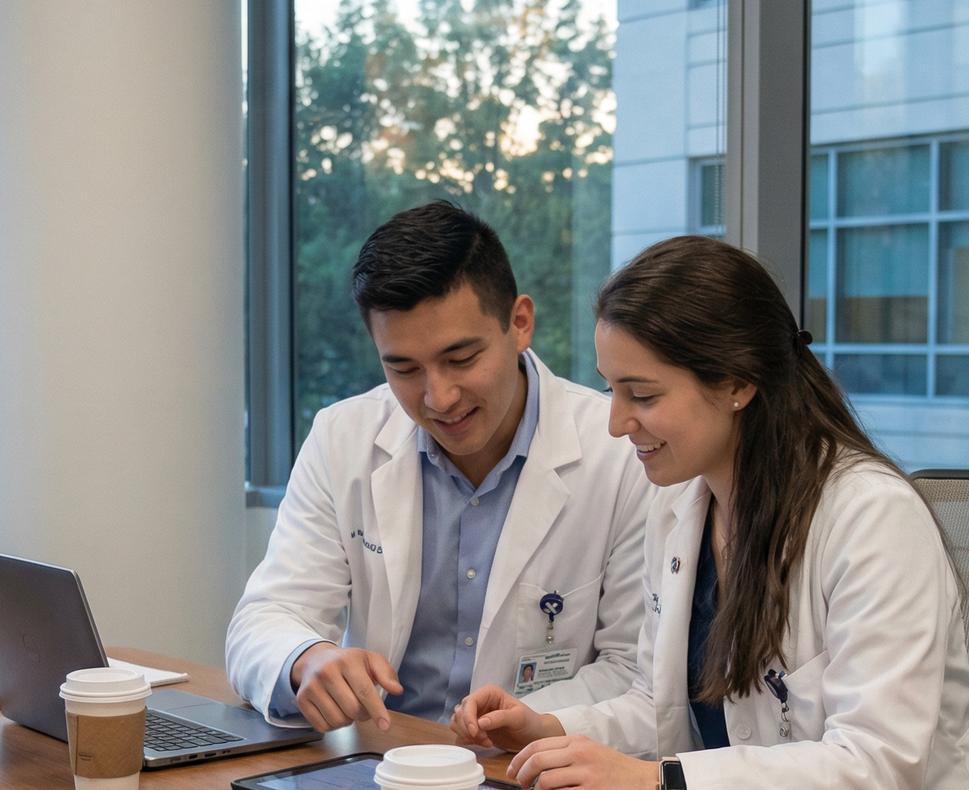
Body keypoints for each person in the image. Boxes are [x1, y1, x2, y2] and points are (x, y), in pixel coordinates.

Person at [451, 235, 969, 790]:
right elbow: (665, 706)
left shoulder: (870, 516)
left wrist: (656, 784)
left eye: (642, 395)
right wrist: (552, 728)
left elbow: (876, 772)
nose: (617, 423)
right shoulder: (680, 506)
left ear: (737, 383)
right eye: (612, 390)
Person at [226, 200, 653, 735]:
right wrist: (304, 658)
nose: (439, 397)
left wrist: (539, 720)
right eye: (403, 368)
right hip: (380, 767)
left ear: (520, 324)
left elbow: (634, 672)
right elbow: (263, 620)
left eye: (461, 359)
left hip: (528, 777)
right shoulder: (344, 437)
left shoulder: (620, 454)